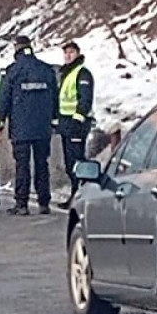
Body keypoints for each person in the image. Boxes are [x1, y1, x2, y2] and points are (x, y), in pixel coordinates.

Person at [0, 35, 58, 215]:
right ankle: (44, 202)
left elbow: (3, 99)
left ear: (16, 48)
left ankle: (22, 204)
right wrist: (54, 120)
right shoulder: (46, 70)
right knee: (41, 163)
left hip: (21, 127)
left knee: (22, 164)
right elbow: (55, 98)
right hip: (42, 127)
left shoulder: (13, 71)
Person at [57, 39, 95, 201]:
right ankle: (76, 195)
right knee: (70, 163)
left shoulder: (82, 73)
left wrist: (77, 119)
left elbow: (85, 99)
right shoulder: (66, 73)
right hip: (66, 123)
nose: (68, 55)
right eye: (65, 52)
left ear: (78, 54)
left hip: (77, 124)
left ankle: (82, 196)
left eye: (71, 52)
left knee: (77, 162)